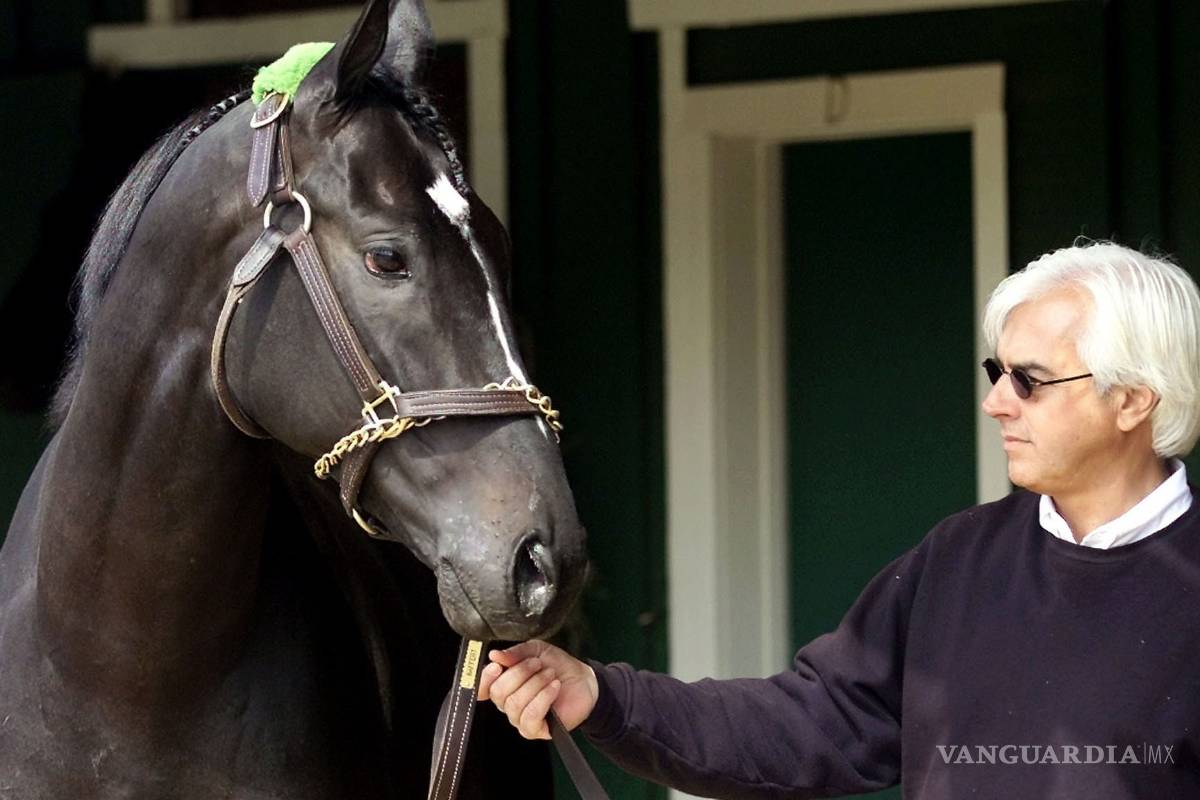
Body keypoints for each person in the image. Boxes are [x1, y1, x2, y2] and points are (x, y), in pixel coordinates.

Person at [478, 241, 1200, 798]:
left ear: (1133, 400)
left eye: (1029, 381)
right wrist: (601, 696)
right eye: (997, 374)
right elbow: (811, 723)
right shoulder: (957, 560)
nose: (996, 403)